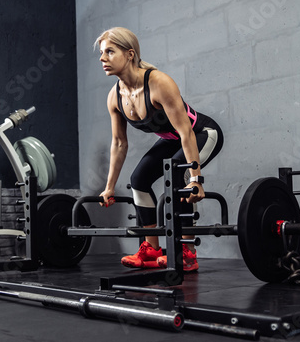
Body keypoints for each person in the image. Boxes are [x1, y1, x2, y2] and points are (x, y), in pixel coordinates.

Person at [95, 27, 223, 272]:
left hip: (202, 134)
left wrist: (195, 179)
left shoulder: (158, 83)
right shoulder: (115, 97)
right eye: (101, 53)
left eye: (109, 52)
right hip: (174, 140)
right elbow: (120, 143)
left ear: (130, 54)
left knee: (178, 174)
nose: (102, 58)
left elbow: (186, 132)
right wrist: (109, 186)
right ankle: (151, 250)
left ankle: (187, 252)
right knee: (139, 179)